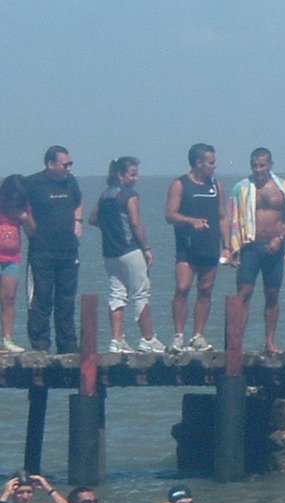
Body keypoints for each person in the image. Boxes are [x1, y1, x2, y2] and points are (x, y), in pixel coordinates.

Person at [228, 148, 285, 353]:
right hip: (250, 246)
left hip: (274, 247)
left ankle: (270, 342)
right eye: (254, 165)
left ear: (270, 165)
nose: (258, 169)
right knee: (244, 293)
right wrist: (232, 249)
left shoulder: (284, 188)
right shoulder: (241, 188)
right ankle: (237, 342)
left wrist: (280, 239)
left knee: (272, 294)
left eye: (262, 165)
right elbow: (233, 220)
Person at [89, 156, 164, 353]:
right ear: (121, 175)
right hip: (130, 249)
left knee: (117, 294)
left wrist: (110, 227)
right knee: (141, 293)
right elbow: (135, 222)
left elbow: (92, 218)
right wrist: (147, 248)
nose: (136, 178)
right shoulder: (128, 195)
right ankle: (147, 338)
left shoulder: (105, 195)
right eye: (133, 174)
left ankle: (117, 339)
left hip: (110, 252)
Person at [165, 143, 229, 353]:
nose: (214, 166)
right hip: (187, 247)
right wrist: (191, 221)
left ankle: (198, 335)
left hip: (210, 246)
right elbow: (170, 215)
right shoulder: (180, 184)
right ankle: (179, 336)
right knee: (182, 288)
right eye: (211, 162)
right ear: (198, 163)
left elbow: (222, 217)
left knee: (205, 290)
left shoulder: (216, 185)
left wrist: (227, 246)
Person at [25, 145, 83, 353]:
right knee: (41, 298)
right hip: (42, 251)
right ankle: (40, 345)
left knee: (66, 299)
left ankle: (67, 345)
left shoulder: (71, 182)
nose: (69, 168)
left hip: (68, 250)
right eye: (65, 164)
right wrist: (27, 223)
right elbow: (13, 201)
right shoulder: (33, 183)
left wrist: (78, 221)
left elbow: (78, 201)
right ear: (51, 164)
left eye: (70, 164)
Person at [0, 175, 35, 353]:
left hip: (12, 258)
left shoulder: (23, 207)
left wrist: (25, 217)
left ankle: (7, 339)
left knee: (9, 298)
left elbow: (32, 232)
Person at [1, 470, 68, 503]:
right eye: (20, 492)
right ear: (12, 493)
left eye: (29, 492)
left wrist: (49, 489)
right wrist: (5, 494)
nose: (25, 497)